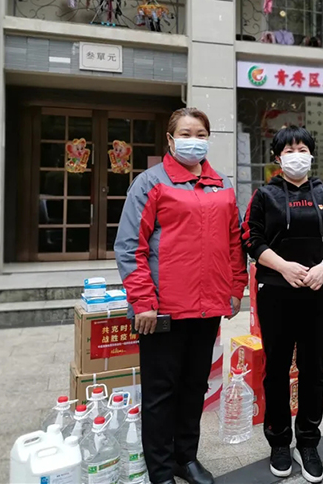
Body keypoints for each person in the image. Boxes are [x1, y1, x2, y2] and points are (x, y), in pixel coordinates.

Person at [114, 107, 247, 484]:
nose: (194, 141)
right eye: (186, 134)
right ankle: (160, 470)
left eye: (201, 134)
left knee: (193, 387)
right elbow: (130, 247)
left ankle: (185, 458)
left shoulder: (221, 184)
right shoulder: (150, 183)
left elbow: (234, 242)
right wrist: (143, 301)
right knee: (161, 393)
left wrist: (235, 288)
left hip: (207, 308)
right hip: (162, 310)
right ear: (170, 140)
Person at [242, 125, 323, 484]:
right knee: (275, 369)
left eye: (302, 149)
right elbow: (250, 238)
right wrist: (283, 267)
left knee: (313, 369)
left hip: (317, 291)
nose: (296, 155)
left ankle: (308, 441)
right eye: (288, 150)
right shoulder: (265, 195)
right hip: (275, 291)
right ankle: (279, 440)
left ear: (311, 154)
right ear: (278, 157)